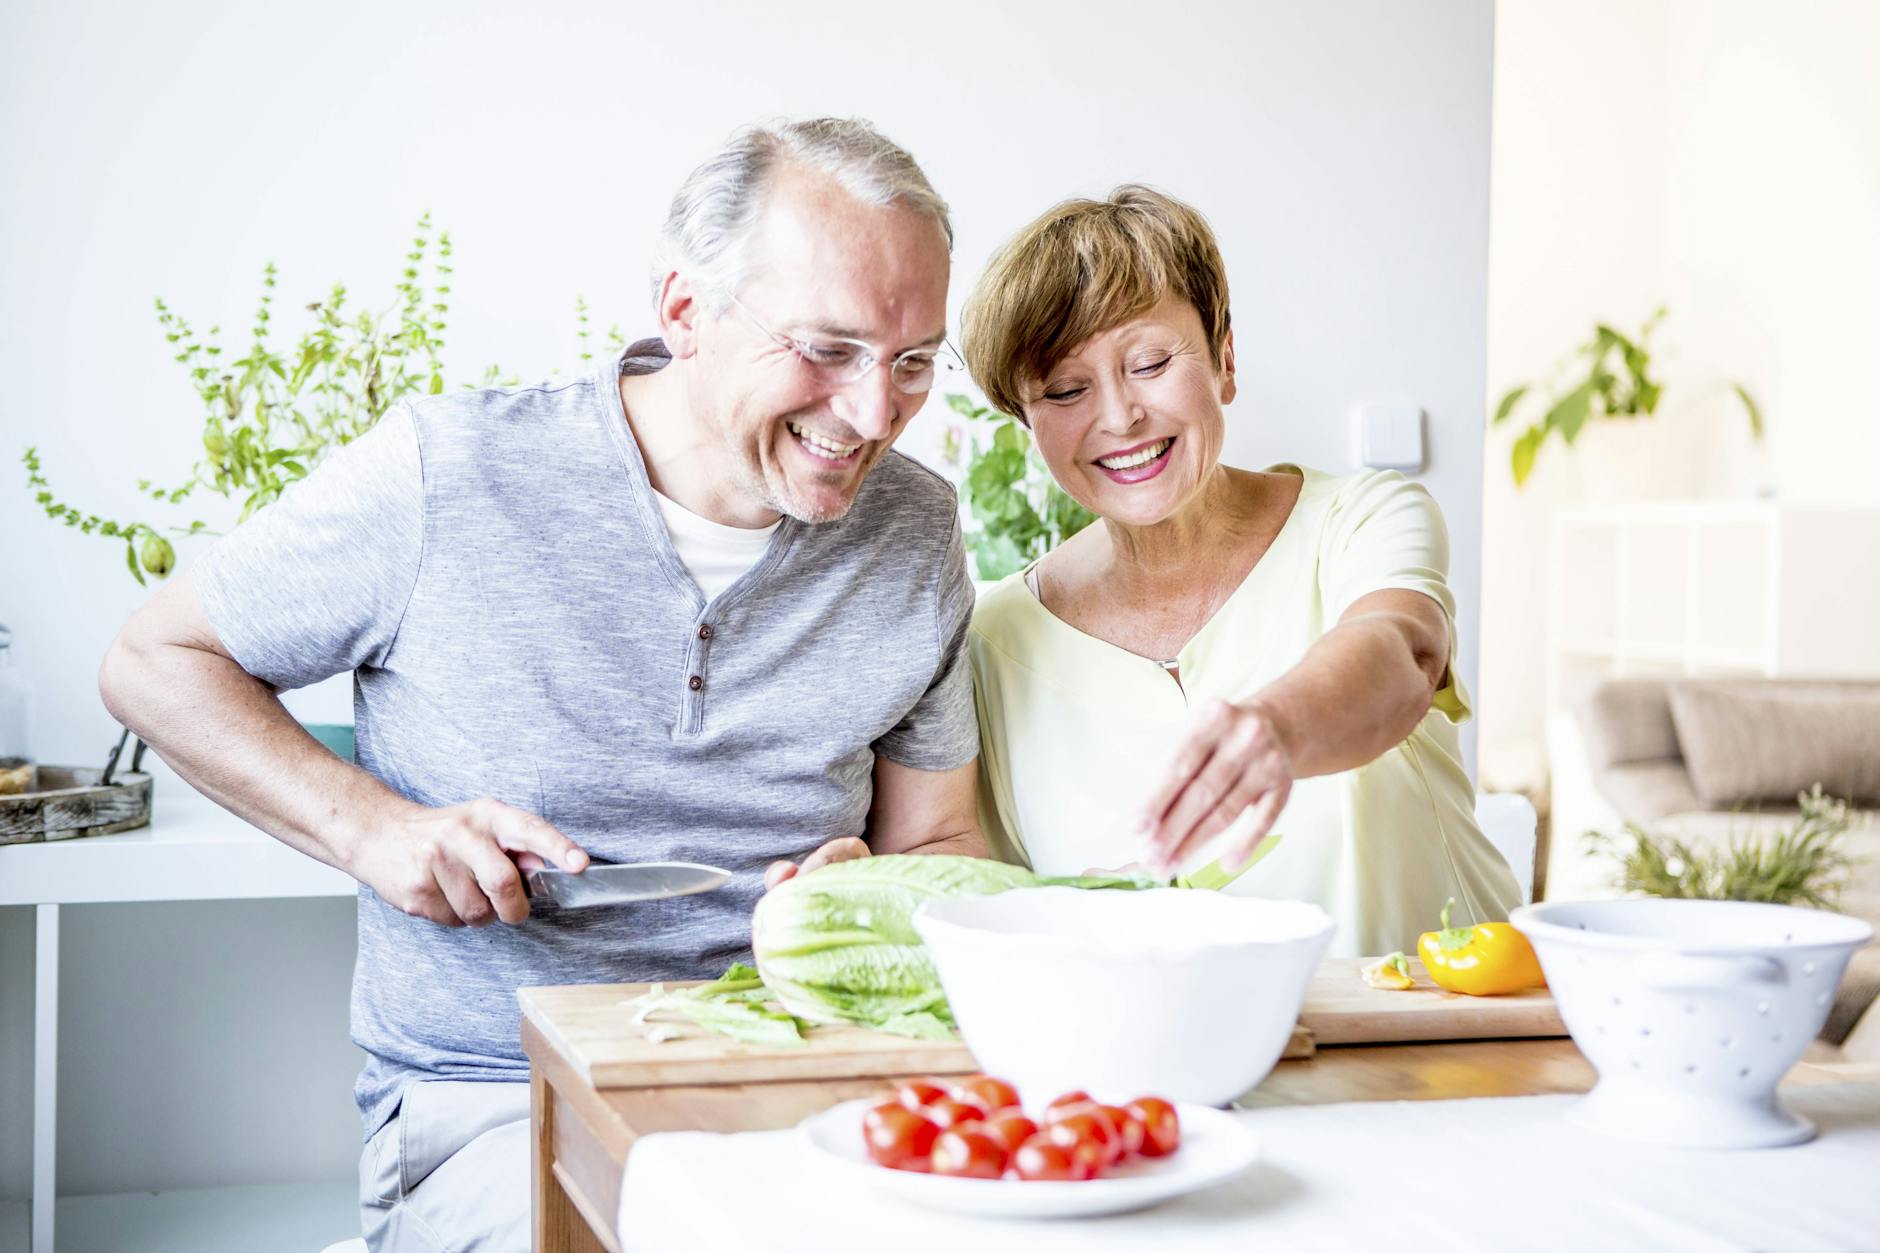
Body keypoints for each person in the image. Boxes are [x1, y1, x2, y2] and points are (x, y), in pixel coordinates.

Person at [98, 118, 984, 1251]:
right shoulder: (451, 473)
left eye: (911, 361)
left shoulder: (914, 532)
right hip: (493, 1102)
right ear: (684, 314)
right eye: (827, 348)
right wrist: (376, 830)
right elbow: (153, 660)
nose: (872, 414)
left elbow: (939, 843)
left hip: (802, 1088)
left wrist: (877, 900)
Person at [960, 184, 1519, 957]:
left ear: (1225, 359)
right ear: (1030, 422)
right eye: (1065, 388)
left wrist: (1279, 728)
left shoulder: (1357, 520)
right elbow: (988, 908)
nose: (1120, 416)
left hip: (1439, 1049)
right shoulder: (991, 641)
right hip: (1162, 1071)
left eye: (1150, 361)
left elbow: (1404, 651)